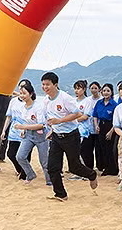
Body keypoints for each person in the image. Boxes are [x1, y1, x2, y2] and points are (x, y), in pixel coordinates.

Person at [41, 72, 98, 201]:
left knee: (74, 167)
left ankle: (92, 174)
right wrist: (51, 129)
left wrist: (60, 121)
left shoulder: (65, 98)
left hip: (71, 136)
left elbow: (77, 114)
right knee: (52, 167)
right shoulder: (45, 100)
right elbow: (49, 119)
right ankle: (61, 194)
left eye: (47, 84)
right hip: (56, 136)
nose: (45, 87)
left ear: (55, 85)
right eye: (43, 84)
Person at [13, 81, 51, 186]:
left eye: (24, 93)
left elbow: (41, 125)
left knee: (44, 162)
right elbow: (26, 121)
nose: (22, 96)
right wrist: (23, 130)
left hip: (41, 136)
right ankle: (30, 174)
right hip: (28, 135)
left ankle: (50, 181)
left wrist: (22, 127)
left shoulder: (38, 106)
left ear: (31, 94)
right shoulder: (22, 108)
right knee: (20, 156)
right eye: (20, 93)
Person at [1, 81, 31, 180]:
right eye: (21, 86)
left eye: (25, 86)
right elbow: (9, 116)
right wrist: (4, 131)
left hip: (26, 131)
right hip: (14, 131)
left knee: (24, 155)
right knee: (11, 153)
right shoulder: (13, 101)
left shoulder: (30, 102)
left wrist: (26, 128)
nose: (22, 88)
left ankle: (24, 174)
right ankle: (20, 170)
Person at [93, 83, 119, 176]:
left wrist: (111, 131)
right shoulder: (99, 103)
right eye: (104, 91)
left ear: (111, 92)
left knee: (110, 149)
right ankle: (106, 167)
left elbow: (116, 120)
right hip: (101, 126)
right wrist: (96, 125)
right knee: (102, 148)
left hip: (111, 127)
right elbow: (95, 115)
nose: (106, 93)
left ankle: (113, 169)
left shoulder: (114, 104)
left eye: (108, 91)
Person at [74, 80, 98, 177]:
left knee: (85, 151)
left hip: (85, 130)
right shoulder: (73, 101)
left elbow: (86, 116)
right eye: (75, 88)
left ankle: (88, 170)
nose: (76, 91)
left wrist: (74, 120)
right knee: (76, 151)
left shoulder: (87, 101)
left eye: (79, 88)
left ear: (84, 89)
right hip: (75, 129)